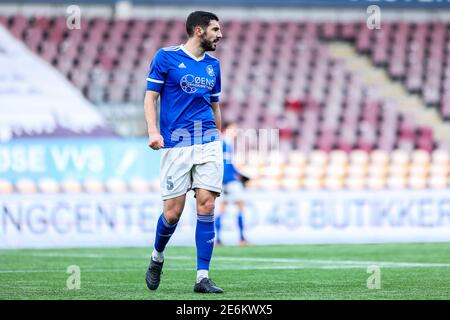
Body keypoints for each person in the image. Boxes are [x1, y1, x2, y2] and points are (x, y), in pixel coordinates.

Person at [143, 11, 224, 294]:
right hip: (176, 144)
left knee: (207, 205)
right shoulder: (165, 57)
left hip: (208, 141)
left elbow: (214, 106)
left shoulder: (214, 66)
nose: (220, 34)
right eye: (215, 29)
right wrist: (153, 131)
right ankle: (157, 257)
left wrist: (220, 138)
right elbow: (150, 97)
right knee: (173, 214)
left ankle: (202, 277)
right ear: (199, 31)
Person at [215, 122, 249, 246]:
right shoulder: (224, 143)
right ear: (227, 130)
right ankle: (241, 238)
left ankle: (218, 239)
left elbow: (227, 163)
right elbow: (224, 164)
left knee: (222, 209)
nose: (235, 132)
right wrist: (232, 176)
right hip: (229, 181)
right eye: (233, 129)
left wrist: (239, 174)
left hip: (224, 181)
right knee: (239, 206)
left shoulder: (226, 144)